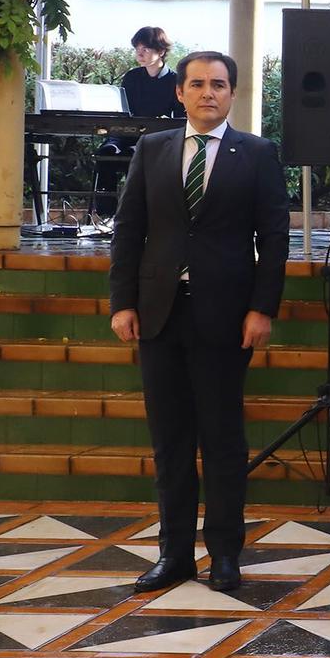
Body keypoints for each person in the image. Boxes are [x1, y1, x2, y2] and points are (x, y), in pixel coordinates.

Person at [108, 51, 289, 593]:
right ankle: (174, 554)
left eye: (218, 84)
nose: (208, 93)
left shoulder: (257, 153)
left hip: (226, 317)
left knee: (223, 439)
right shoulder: (153, 148)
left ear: (232, 93)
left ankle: (226, 553)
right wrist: (122, 302)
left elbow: (273, 239)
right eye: (197, 84)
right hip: (159, 314)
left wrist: (263, 308)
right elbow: (128, 228)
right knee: (170, 440)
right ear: (180, 93)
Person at [95, 27, 187, 217]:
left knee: (135, 155)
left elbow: (179, 118)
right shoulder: (132, 77)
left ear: (161, 51)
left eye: (145, 48)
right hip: (125, 133)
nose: (140, 53)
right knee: (105, 153)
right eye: (137, 48)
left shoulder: (175, 80)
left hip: (155, 137)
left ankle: (132, 214)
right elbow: (123, 110)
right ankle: (106, 214)